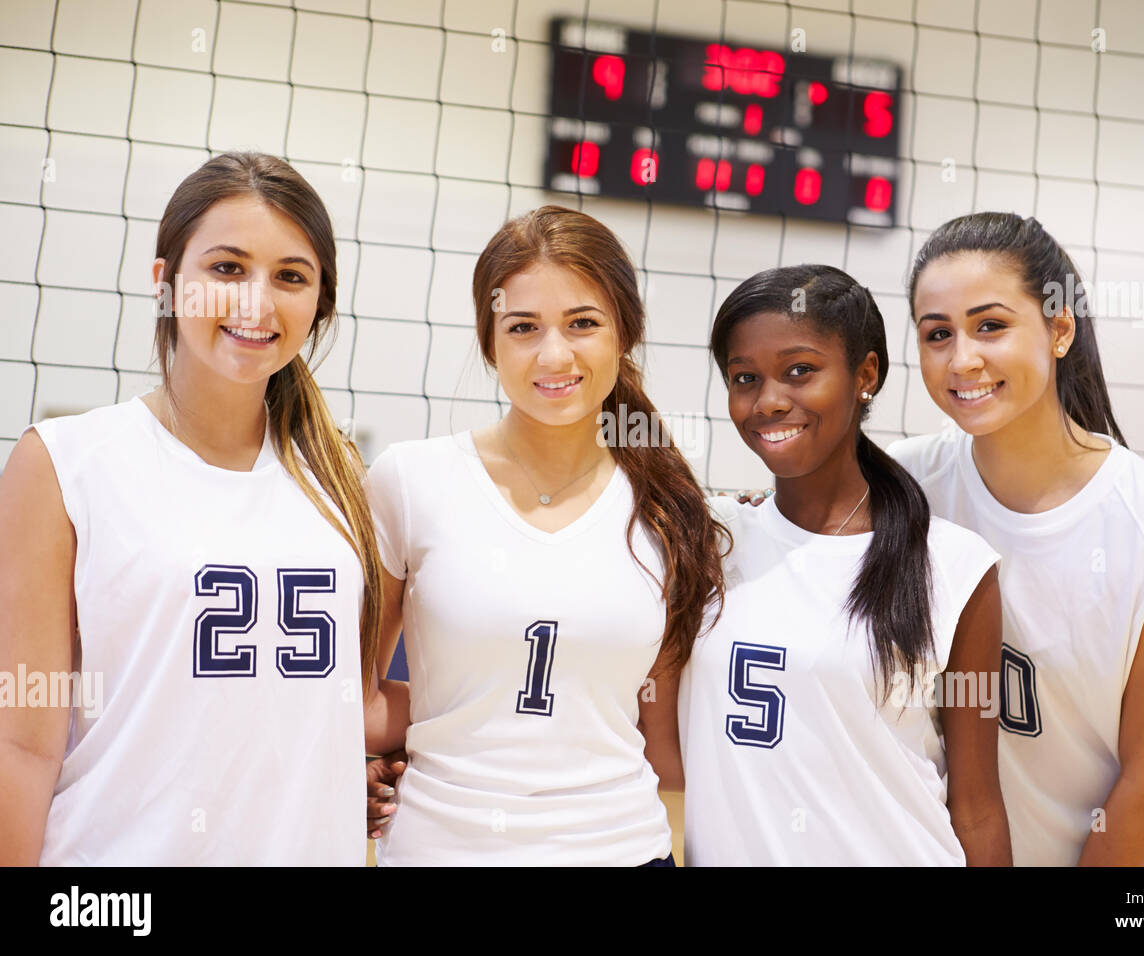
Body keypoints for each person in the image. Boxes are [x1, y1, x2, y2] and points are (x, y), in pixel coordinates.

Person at [0, 151, 383, 865]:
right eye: (227, 268)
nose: (256, 303)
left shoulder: (342, 478)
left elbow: (340, 708)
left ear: (319, 304)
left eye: (290, 277)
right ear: (165, 283)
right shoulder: (61, 462)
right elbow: (21, 744)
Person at [361, 205, 728, 866]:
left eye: (583, 323)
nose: (553, 354)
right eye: (523, 327)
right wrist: (356, 759)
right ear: (488, 340)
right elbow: (356, 694)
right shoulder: (409, 481)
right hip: (440, 848)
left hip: (622, 848)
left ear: (625, 333)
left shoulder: (671, 507)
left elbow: (667, 738)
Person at [889, 211, 1144, 865]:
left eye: (990, 325)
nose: (962, 358)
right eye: (938, 334)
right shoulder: (905, 487)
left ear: (1058, 328)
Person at [679, 264, 1011, 865]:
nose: (769, 401)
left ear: (866, 374)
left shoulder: (956, 567)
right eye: (744, 378)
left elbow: (978, 804)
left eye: (799, 371)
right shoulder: (708, 543)